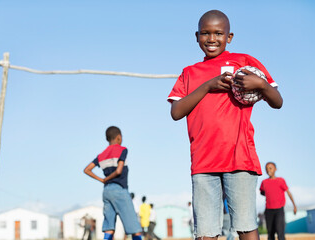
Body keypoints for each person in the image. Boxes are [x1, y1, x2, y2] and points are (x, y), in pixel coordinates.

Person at [167, 10, 283, 240]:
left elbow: (277, 101)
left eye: (218, 33)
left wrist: (260, 84)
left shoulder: (244, 62)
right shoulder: (190, 73)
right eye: (206, 33)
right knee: (206, 233)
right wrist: (207, 86)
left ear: (229, 37)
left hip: (239, 158)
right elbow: (176, 112)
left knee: (245, 227)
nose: (212, 39)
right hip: (203, 162)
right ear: (196, 36)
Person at [83, 126, 142, 240]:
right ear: (119, 137)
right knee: (135, 228)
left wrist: (102, 180)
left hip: (106, 191)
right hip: (119, 190)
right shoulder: (122, 149)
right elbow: (119, 170)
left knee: (109, 226)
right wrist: (107, 178)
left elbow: (87, 169)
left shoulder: (102, 155)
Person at [260, 162, 297, 240]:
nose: (268, 170)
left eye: (270, 168)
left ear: (275, 169)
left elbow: (289, 193)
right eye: (266, 169)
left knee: (280, 232)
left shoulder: (280, 180)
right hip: (268, 210)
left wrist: (294, 206)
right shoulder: (264, 182)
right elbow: (262, 192)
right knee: (270, 233)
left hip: (279, 210)